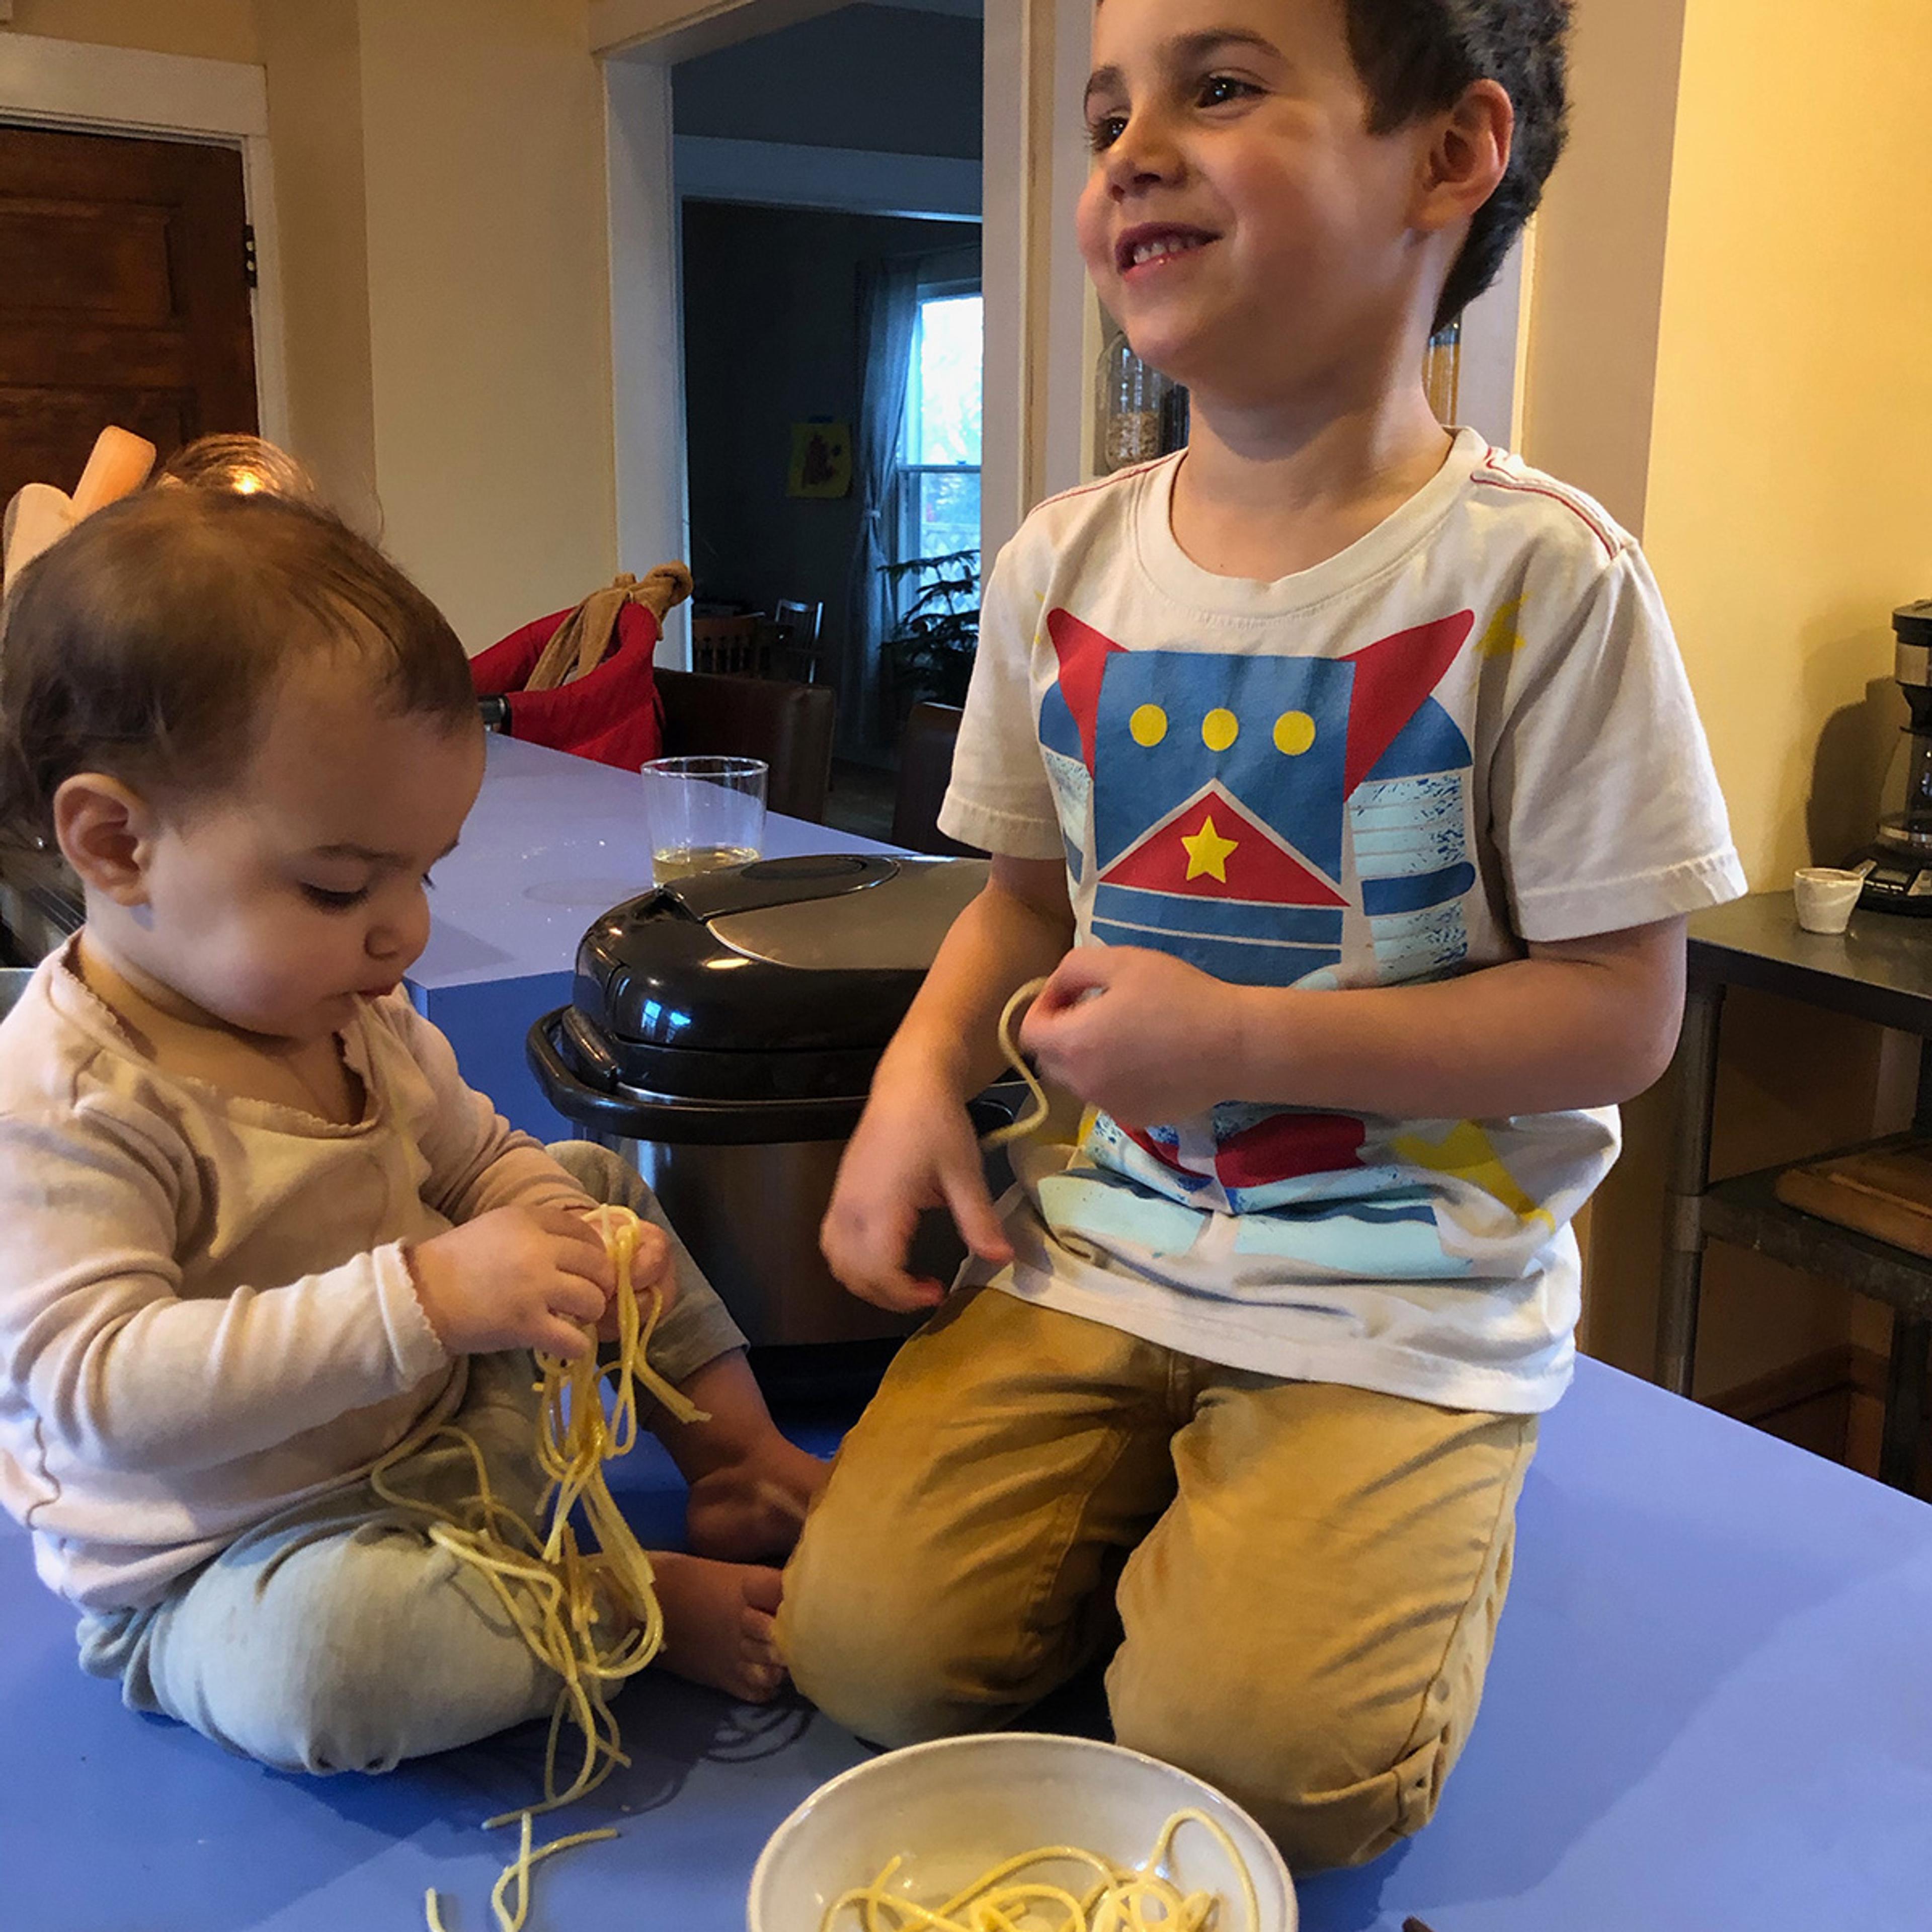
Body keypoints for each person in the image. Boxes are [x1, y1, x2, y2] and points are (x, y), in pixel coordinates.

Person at [779, 0, 1745, 1870]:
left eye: (1218, 90)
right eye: (1108, 113)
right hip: (1103, 1245)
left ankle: (1406, 1514)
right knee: (865, 1659)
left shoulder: (1543, 578)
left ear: (1452, 159)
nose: (1131, 149)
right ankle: (1195, 1527)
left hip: (1403, 1290)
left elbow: (1619, 1018)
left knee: (1270, 1779)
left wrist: (1240, 1045)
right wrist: (914, 1080)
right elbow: (1017, 905)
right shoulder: (1059, 562)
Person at [0, 485, 824, 1777]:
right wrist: (429, 1296)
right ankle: (621, 1598)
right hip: (243, 1560)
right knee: (336, 1671)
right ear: (117, 843)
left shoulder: (346, 1005)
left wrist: (553, 1232)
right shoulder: (61, 1101)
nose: (406, 933)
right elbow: (100, 1396)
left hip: (441, 1425)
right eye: (341, 885)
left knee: (589, 1177)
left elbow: (478, 1156)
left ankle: (742, 1461)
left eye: (422, 871)